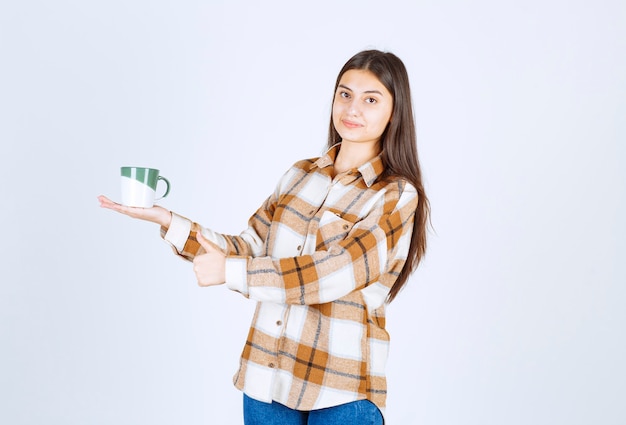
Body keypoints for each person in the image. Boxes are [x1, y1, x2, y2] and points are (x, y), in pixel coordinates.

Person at [99, 49, 430, 425]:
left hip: (342, 390)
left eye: (371, 99)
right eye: (345, 94)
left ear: (394, 111)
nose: (353, 109)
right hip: (266, 380)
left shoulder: (395, 194)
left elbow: (335, 273)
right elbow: (249, 247)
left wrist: (233, 273)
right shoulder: (299, 176)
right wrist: (168, 221)